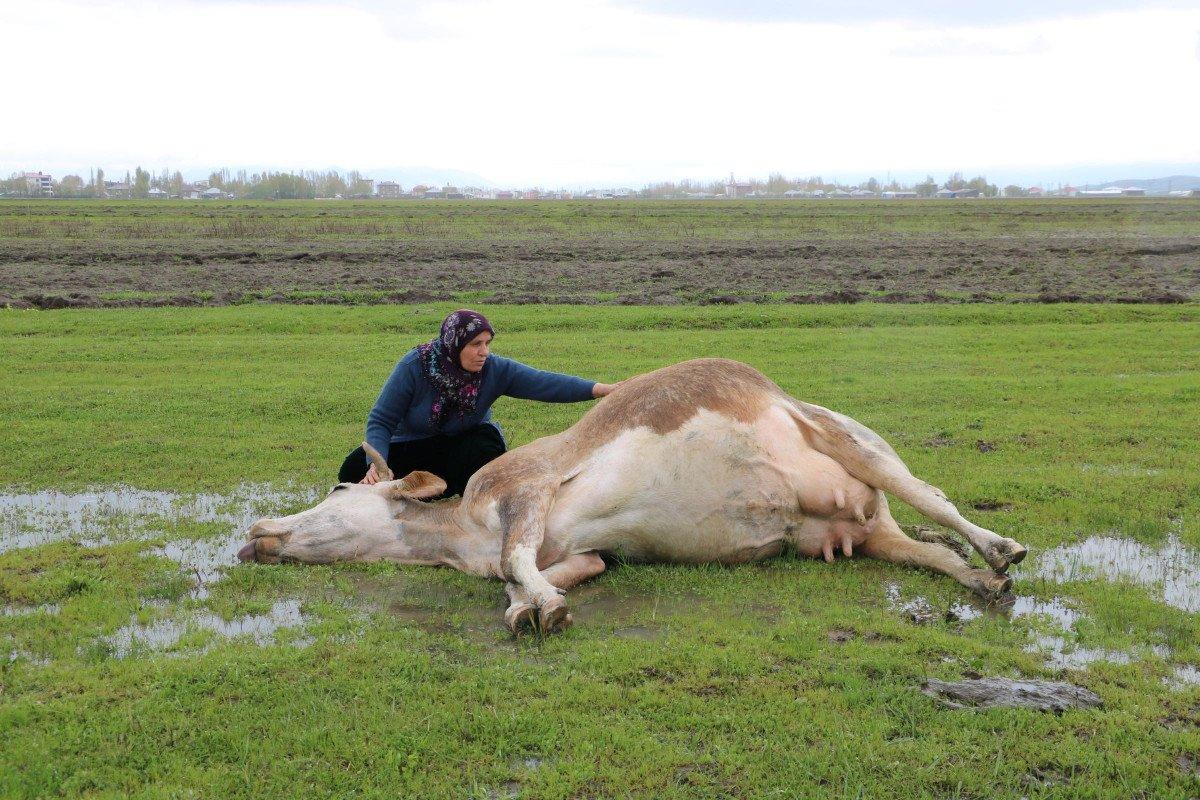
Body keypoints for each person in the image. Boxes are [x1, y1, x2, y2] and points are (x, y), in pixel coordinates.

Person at [338, 309, 618, 497]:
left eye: (487, 343)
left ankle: (441, 492)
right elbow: (382, 420)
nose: (484, 352)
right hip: (415, 443)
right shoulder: (415, 365)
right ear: (454, 344)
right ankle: (429, 488)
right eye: (475, 344)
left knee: (483, 450)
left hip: (463, 447)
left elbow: (544, 383)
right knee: (352, 471)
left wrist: (600, 389)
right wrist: (376, 465)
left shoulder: (494, 369)